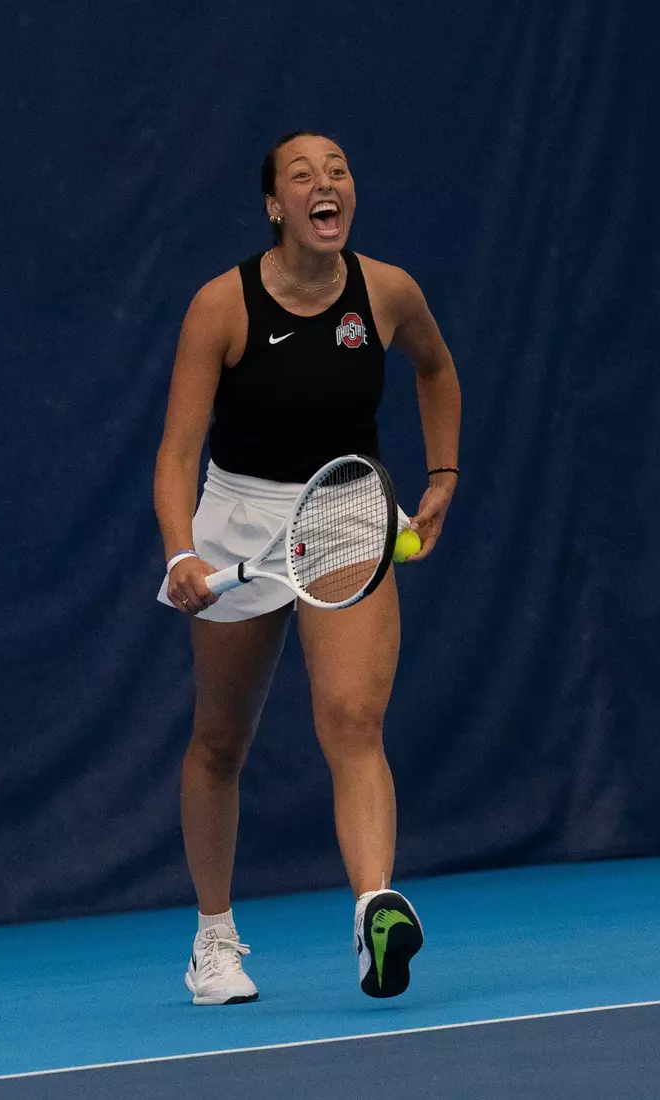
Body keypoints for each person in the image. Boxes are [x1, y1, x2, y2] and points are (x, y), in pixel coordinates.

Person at [153, 131, 461, 1005]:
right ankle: (214, 942)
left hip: (345, 512)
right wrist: (181, 549)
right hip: (239, 513)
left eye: (338, 172)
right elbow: (177, 453)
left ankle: (374, 913)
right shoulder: (222, 306)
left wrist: (443, 474)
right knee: (220, 741)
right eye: (302, 176)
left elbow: (436, 369)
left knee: (354, 719)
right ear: (274, 206)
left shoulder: (388, 292)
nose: (325, 185)